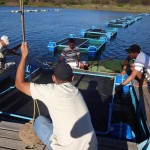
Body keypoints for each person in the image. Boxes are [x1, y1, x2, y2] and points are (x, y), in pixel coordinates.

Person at [15, 42, 98, 150]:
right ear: (72, 78)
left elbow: (19, 84)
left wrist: (23, 57)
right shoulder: (76, 92)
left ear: (53, 78)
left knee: (39, 121)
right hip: (93, 147)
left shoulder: (50, 91)